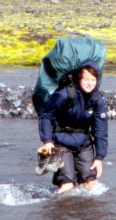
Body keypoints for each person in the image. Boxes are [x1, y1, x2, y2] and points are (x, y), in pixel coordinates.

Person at [37, 61, 108, 194]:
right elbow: (46, 116)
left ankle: (83, 213)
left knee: (91, 183)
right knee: (67, 185)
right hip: (60, 142)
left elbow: (101, 130)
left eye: (93, 79)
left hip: (83, 143)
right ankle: (53, 209)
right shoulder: (64, 94)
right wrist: (47, 141)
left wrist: (99, 158)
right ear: (79, 79)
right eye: (86, 79)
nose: (89, 83)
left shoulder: (98, 100)